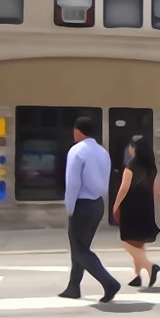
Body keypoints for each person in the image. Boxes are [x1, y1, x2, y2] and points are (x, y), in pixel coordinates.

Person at [59, 117, 121, 303]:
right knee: (81, 247)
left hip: (82, 204)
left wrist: (70, 206)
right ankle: (73, 286)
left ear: (78, 131)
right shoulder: (102, 152)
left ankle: (109, 282)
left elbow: (73, 182)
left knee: (79, 250)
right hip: (97, 203)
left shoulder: (77, 151)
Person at [113, 136, 160, 288]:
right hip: (146, 205)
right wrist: (151, 205)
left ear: (134, 148)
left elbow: (124, 188)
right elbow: (156, 190)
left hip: (131, 206)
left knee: (126, 242)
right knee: (138, 242)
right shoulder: (152, 167)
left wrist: (116, 205)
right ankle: (137, 275)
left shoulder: (131, 166)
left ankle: (149, 266)